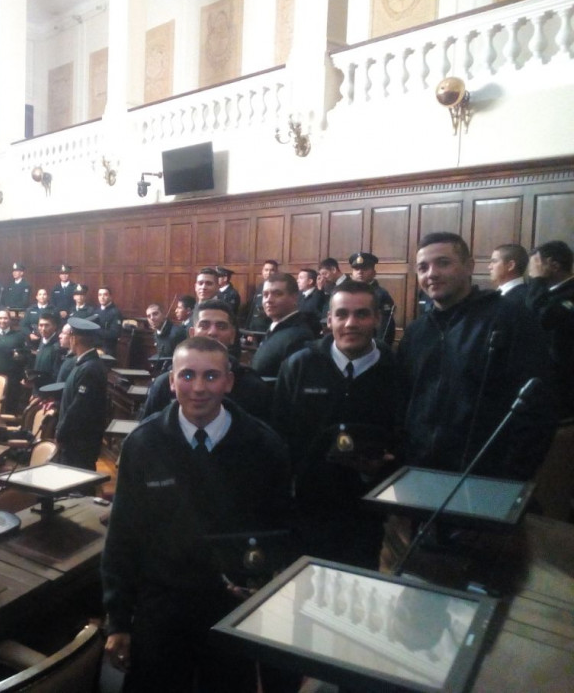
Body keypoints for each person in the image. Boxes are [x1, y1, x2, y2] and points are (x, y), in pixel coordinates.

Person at [102, 337, 293, 693]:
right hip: (161, 607)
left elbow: (281, 531)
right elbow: (122, 536)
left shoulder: (264, 446)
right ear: (171, 382)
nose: (199, 388)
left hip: (232, 609)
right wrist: (118, 621)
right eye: (187, 375)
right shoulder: (143, 444)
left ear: (229, 382)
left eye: (211, 376)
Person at [397, 232, 553, 480]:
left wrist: (512, 475)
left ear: (469, 266)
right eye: (423, 267)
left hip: (487, 476)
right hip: (419, 471)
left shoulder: (510, 319)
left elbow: (537, 407)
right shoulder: (416, 332)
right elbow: (404, 401)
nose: (432, 273)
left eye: (443, 263)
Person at [272, 281, 399, 569]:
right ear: (329, 320)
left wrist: (383, 467)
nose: (351, 323)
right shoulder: (298, 366)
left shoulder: (396, 371)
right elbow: (279, 436)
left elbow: (402, 436)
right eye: (341, 314)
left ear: (377, 319)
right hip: (306, 509)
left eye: (362, 314)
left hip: (366, 512)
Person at [141, 299, 270, 422]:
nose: (212, 332)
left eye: (221, 326)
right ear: (192, 334)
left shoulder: (252, 386)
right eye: (204, 325)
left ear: (232, 335)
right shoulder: (164, 384)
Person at [526, 240, 574, 419]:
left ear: (553, 265)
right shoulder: (551, 292)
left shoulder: (570, 292)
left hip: (564, 382)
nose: (531, 272)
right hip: (547, 379)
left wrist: (537, 280)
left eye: (536, 266)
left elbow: (538, 320)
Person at [55, 317, 108, 469]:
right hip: (74, 441)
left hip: (79, 443)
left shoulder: (89, 368)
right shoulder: (84, 364)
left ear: (74, 339)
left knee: (78, 487)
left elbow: (78, 409)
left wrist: (60, 433)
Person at [250, 273, 320, 378]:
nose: (269, 300)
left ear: (295, 298)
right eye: (265, 295)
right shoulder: (277, 327)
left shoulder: (299, 336)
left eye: (277, 294)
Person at [349, 252, 396, 345]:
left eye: (365, 268)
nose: (360, 272)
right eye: (356, 269)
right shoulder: (347, 293)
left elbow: (385, 328)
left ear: (374, 273)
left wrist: (380, 349)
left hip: (370, 346)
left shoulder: (381, 295)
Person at [245, 259, 279, 334]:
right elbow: (253, 309)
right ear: (262, 272)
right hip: (255, 329)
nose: (269, 273)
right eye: (266, 270)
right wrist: (249, 330)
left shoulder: (278, 289)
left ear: (276, 273)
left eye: (272, 270)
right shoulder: (260, 287)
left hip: (268, 330)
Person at [30, 311, 62, 386]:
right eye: (40, 325)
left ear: (54, 326)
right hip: (37, 388)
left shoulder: (58, 347)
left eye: (47, 325)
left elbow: (56, 376)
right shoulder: (41, 341)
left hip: (49, 392)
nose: (43, 329)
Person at [95, 286, 123, 356]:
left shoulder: (115, 312)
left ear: (110, 296)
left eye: (105, 294)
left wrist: (95, 330)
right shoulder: (96, 311)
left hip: (107, 349)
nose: (102, 297)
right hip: (94, 347)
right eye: (100, 295)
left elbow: (115, 334)